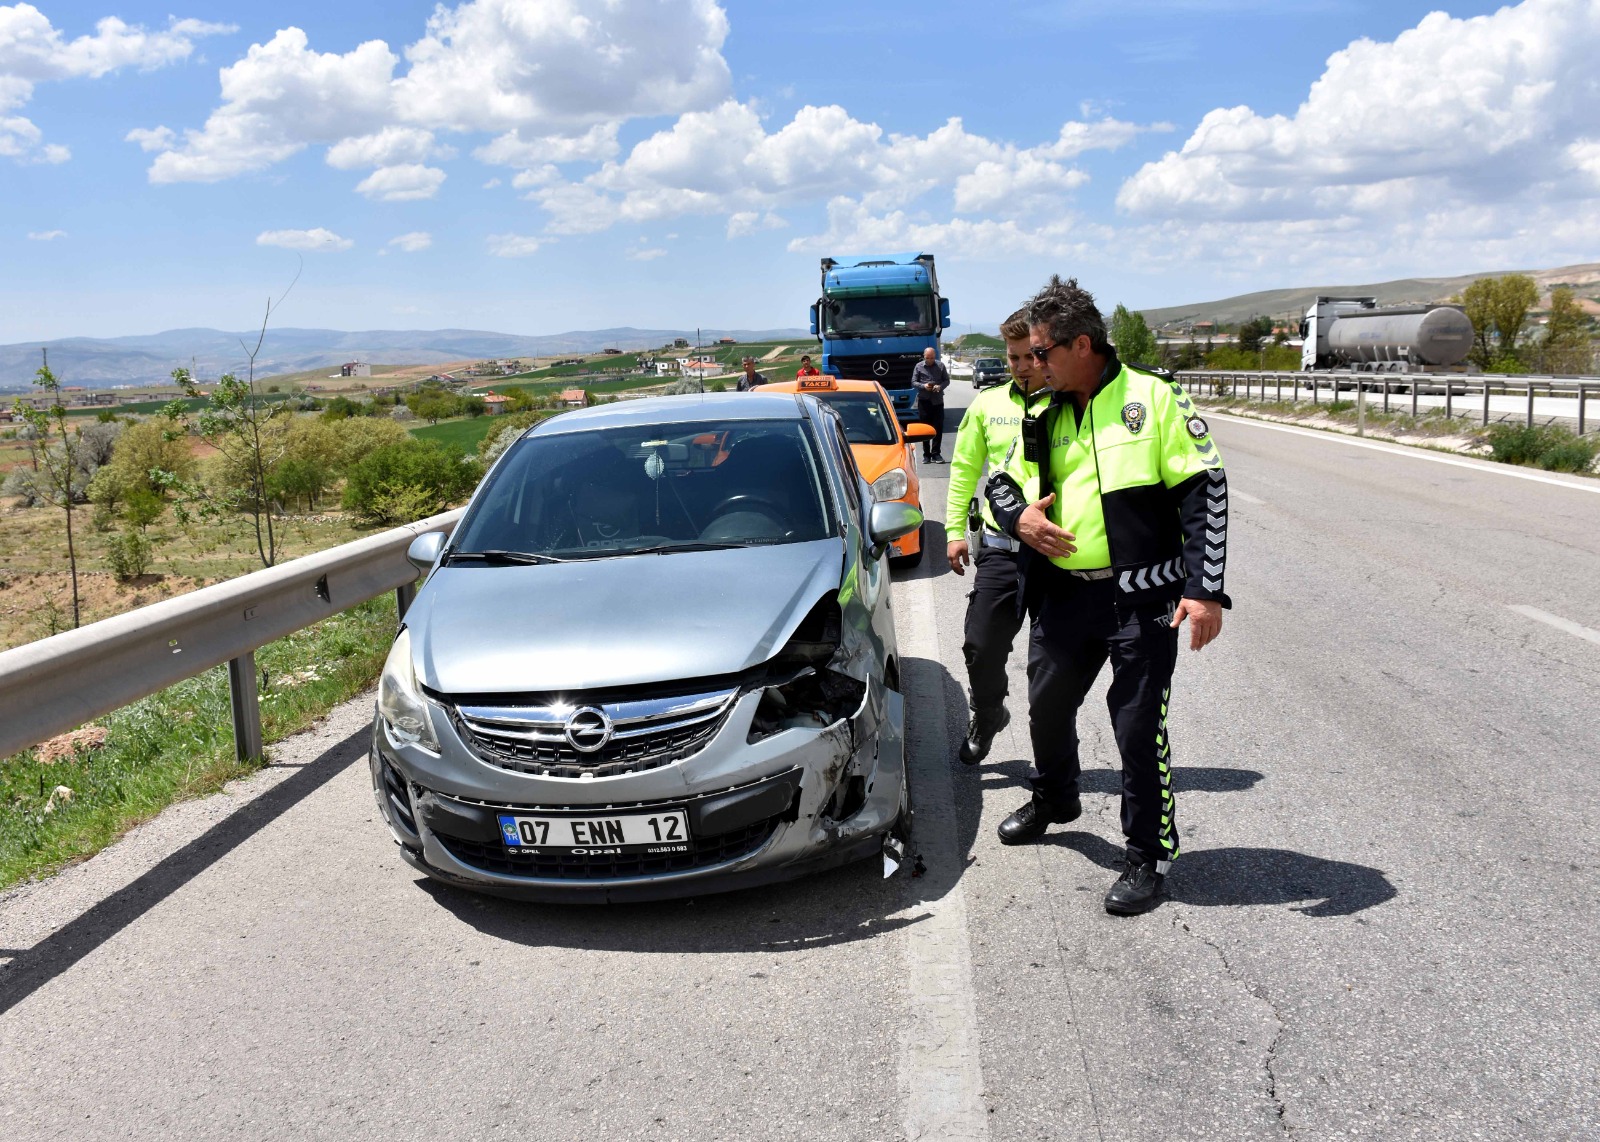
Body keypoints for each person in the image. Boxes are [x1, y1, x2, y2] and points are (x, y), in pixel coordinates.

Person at [984, 276, 1231, 916]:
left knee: (1137, 728)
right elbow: (1001, 484)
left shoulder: (1154, 399)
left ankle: (1147, 855)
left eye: (1042, 353)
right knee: (1046, 705)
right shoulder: (1044, 412)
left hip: (1142, 603)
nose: (1032, 366)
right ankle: (1055, 796)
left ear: (1081, 345)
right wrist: (1019, 522)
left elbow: (1206, 493)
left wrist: (1206, 593)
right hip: (1064, 598)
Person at [945, 310, 1055, 765]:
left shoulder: (1070, 403)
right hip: (1000, 548)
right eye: (1013, 357)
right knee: (980, 645)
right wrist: (953, 531)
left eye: (1031, 356)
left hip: (1057, 555)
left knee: (1051, 668)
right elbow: (965, 469)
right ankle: (988, 713)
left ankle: (1054, 765)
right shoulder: (986, 405)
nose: (1022, 365)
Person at [910, 346, 950, 462]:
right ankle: (926, 454)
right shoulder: (918, 367)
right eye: (928, 358)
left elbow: (946, 380)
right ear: (924, 357)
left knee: (938, 427)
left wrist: (940, 386)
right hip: (924, 401)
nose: (930, 360)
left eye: (932, 358)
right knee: (925, 428)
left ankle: (936, 453)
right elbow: (913, 382)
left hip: (937, 401)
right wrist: (924, 386)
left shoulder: (940, 366)